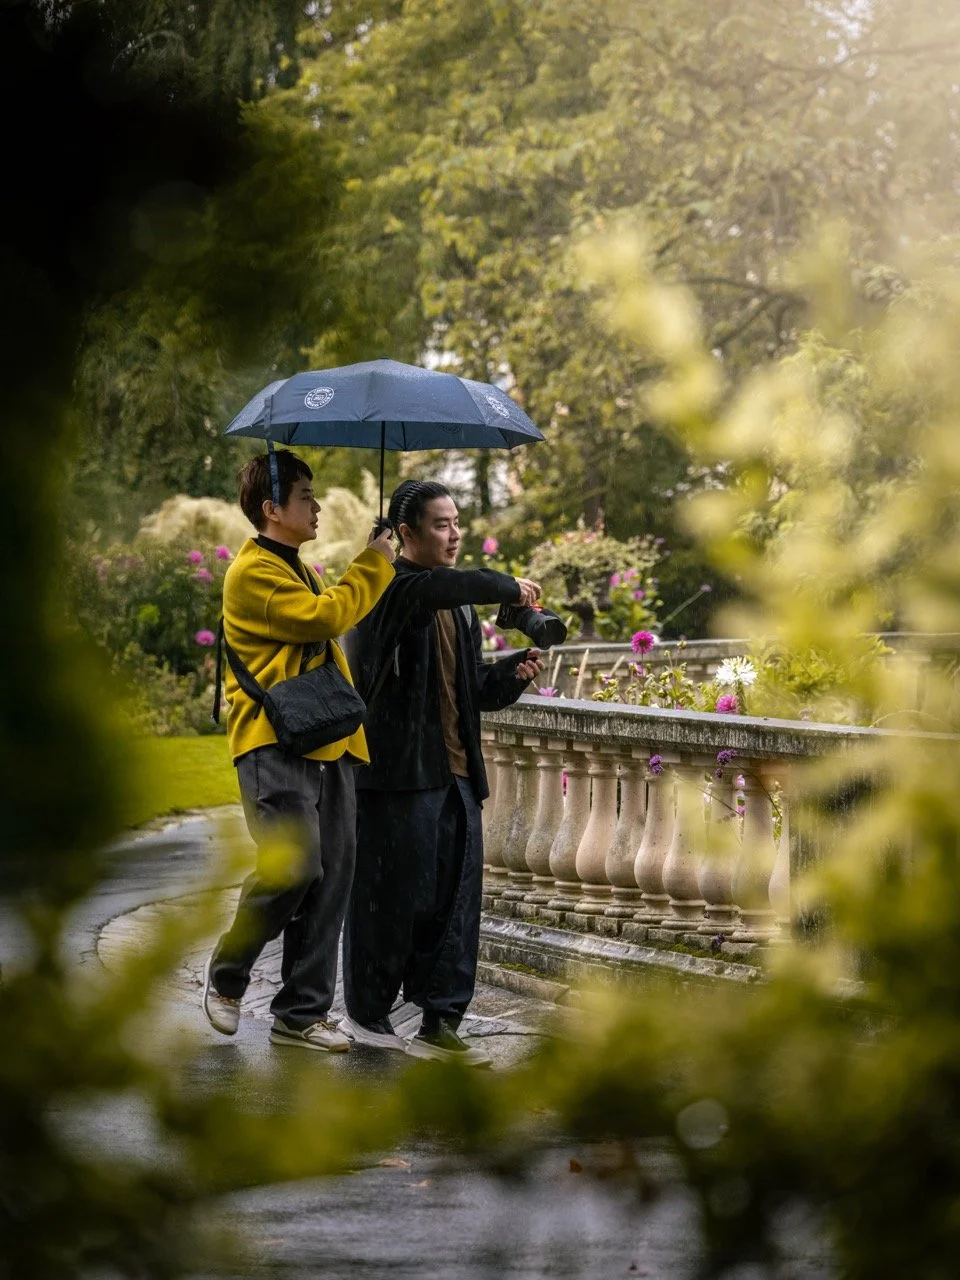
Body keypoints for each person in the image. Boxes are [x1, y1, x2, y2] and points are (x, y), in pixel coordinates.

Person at [341, 479, 544, 1063]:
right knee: (388, 900)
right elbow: (444, 583)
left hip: (455, 777)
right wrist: (508, 586)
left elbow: (468, 690)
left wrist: (509, 676)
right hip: (396, 778)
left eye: (457, 523)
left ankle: (440, 1020)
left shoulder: (454, 607)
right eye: (440, 525)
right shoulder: (388, 590)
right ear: (405, 534)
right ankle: (368, 1014)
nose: (454, 535)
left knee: (454, 907)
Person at [202, 449, 396, 1052]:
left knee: (333, 875)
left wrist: (376, 562)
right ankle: (227, 977)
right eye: (306, 497)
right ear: (272, 509)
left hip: (328, 740)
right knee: (296, 866)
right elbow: (324, 618)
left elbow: (328, 614)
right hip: (273, 743)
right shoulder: (253, 572)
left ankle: (300, 1013)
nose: (316, 507)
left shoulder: (296, 566)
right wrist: (375, 561)